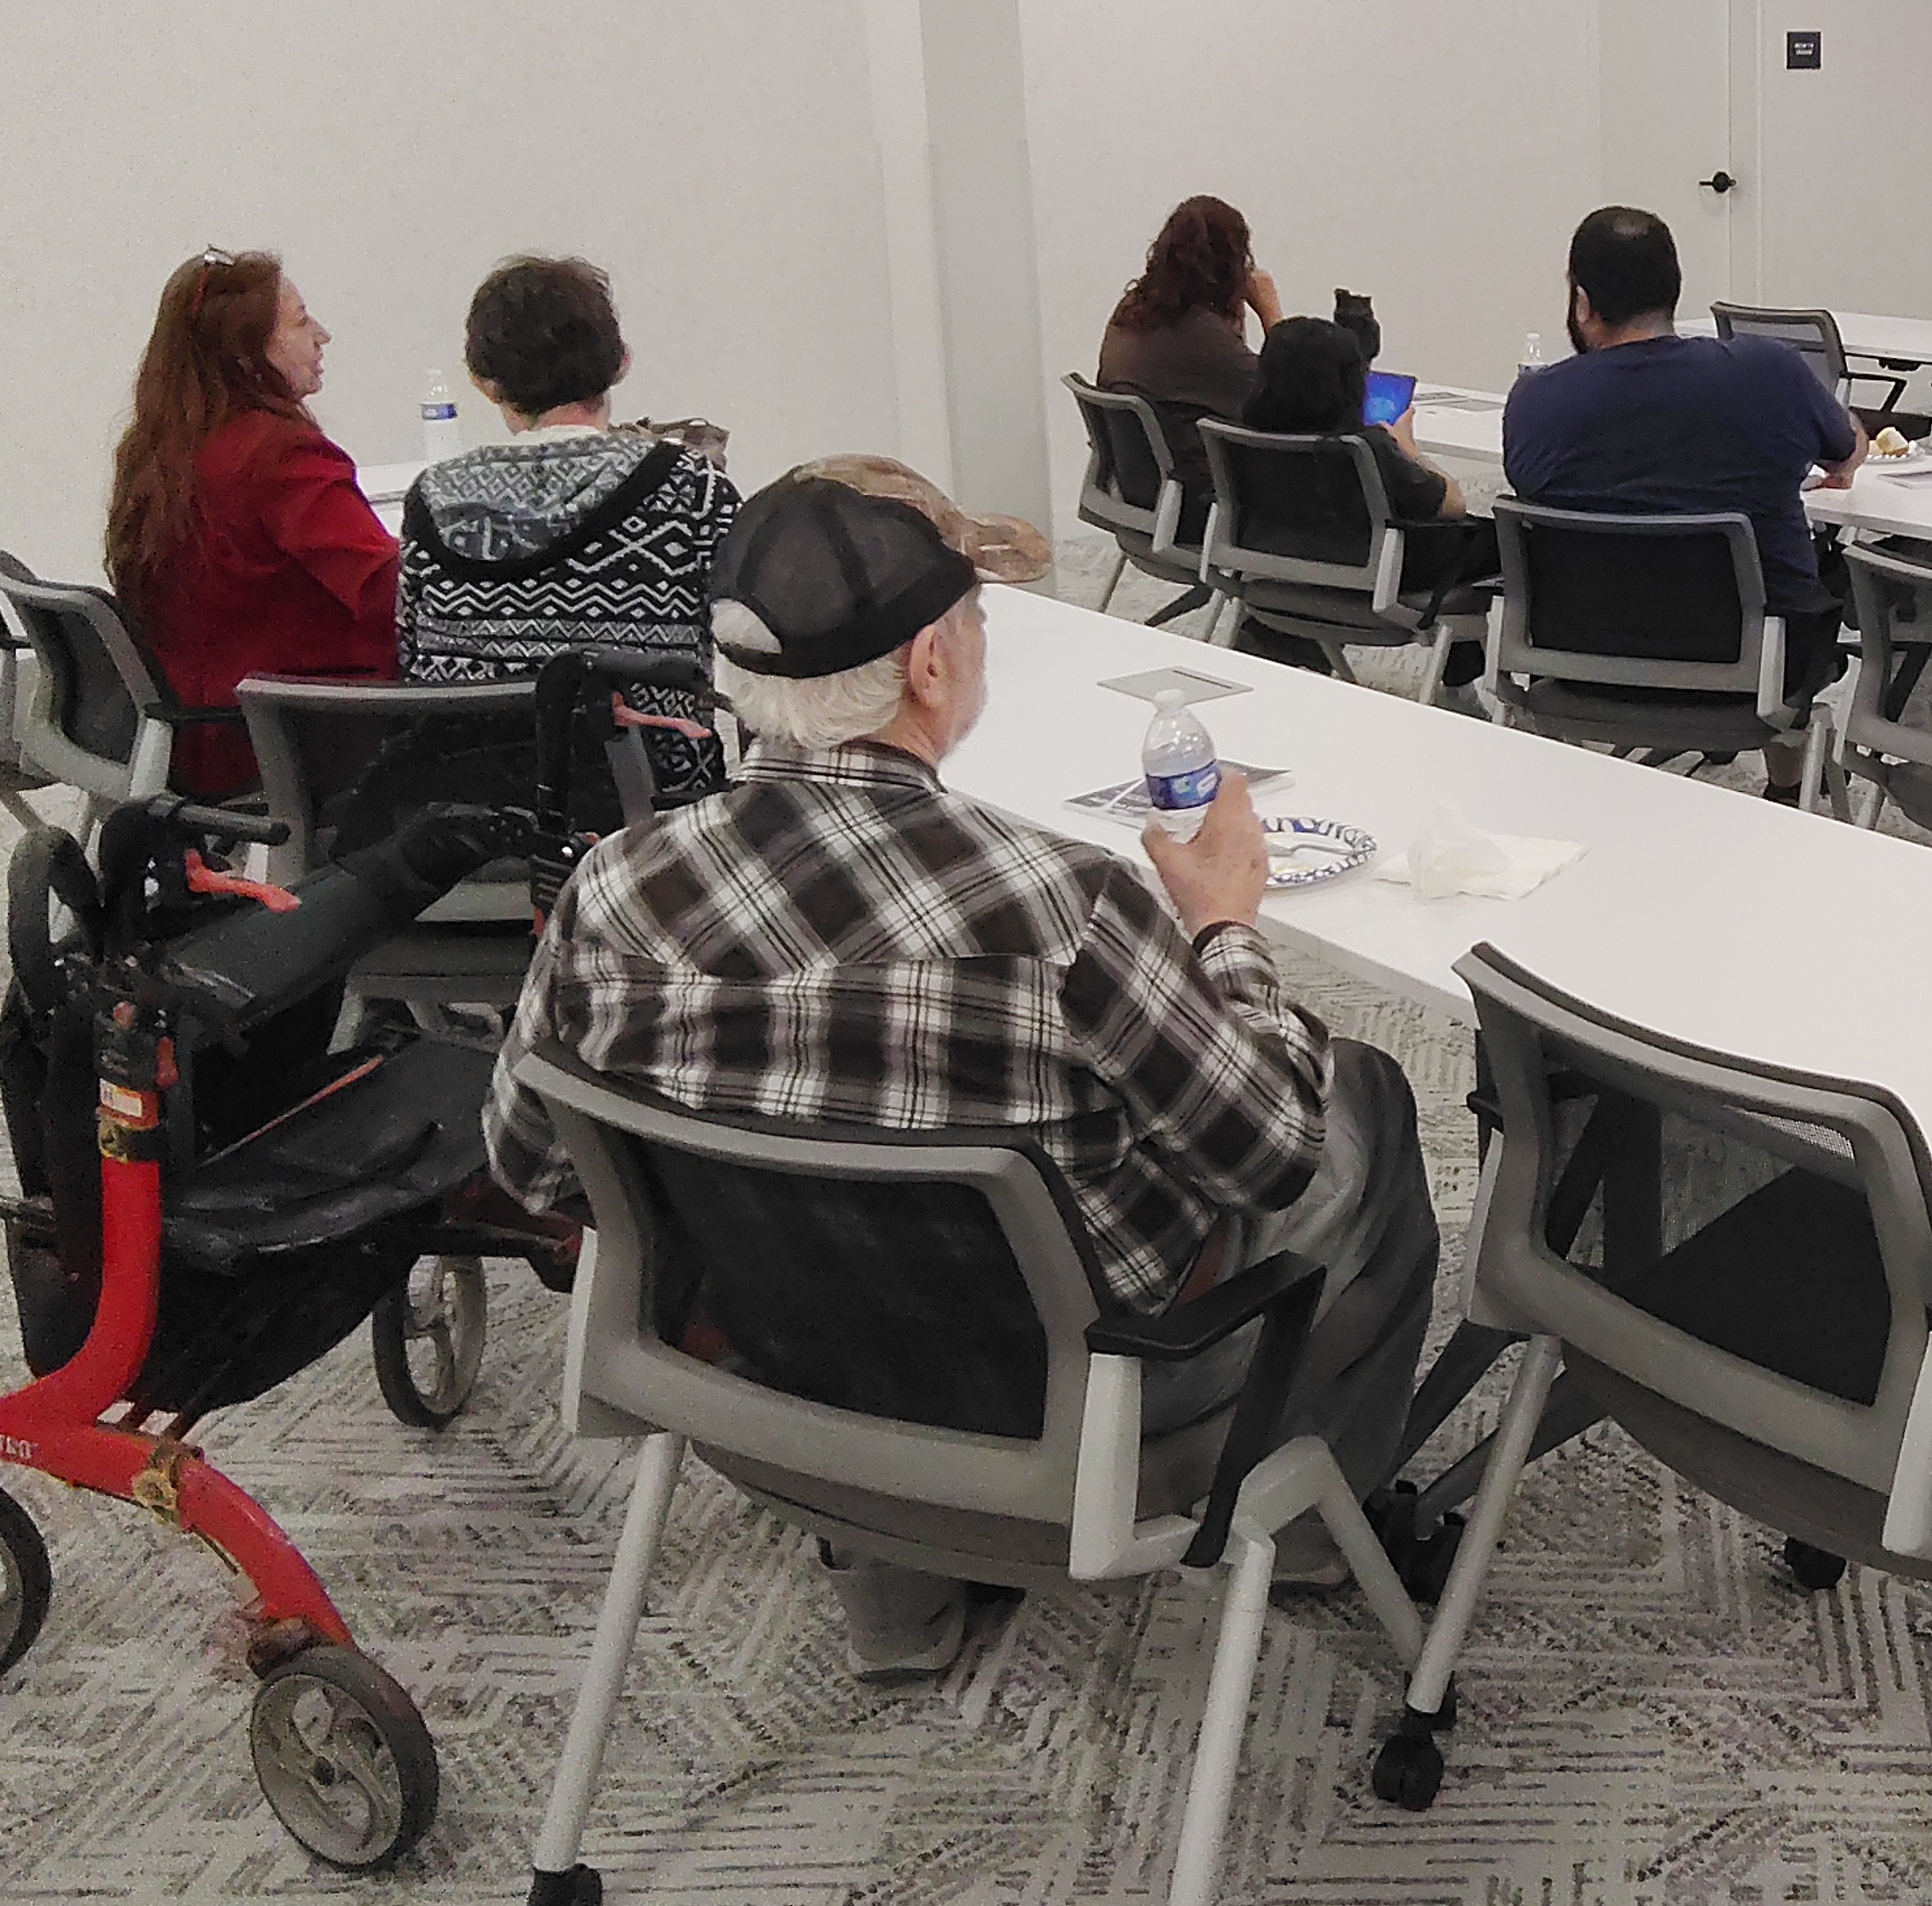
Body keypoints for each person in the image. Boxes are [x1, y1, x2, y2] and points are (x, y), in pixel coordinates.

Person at [479, 455, 1435, 1677]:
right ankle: (1307, 1535)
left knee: (819, 1187)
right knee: (1364, 1099)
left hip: (770, 1378)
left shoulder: (612, 886)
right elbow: (1269, 1157)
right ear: (931, 664)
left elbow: (529, 1166)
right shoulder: (1060, 905)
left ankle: (899, 1606)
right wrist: (1221, 931)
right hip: (1077, 1406)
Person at [1502, 206, 1857, 802]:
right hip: (1756, 674)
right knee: (1797, 569)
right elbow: (1843, 454)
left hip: (1578, 664)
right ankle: (1786, 787)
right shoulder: (1769, 373)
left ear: (1583, 303)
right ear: (1674, 292)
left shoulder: (1535, 403)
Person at [399, 255, 739, 795]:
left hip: (468, 818)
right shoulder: (691, 487)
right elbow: (753, 650)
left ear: (484, 383)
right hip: (654, 814)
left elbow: (411, 660)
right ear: (620, 363)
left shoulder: (431, 501)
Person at [105, 248, 396, 792]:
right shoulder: (280, 453)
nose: (322, 335)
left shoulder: (156, 449)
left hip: (198, 727)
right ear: (247, 352)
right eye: (301, 320)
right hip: (294, 735)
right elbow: (389, 594)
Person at [1233, 314, 1498, 679]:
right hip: (1374, 574)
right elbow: (1453, 503)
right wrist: (1409, 451)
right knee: (1495, 541)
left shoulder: (1240, 440)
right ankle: (1460, 685)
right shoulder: (1369, 448)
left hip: (1278, 566)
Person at [1095, 195, 1280, 444]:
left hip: (1140, 476)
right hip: (1200, 476)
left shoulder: (1132, 309)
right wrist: (1270, 313)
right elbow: (1290, 401)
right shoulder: (1202, 336)